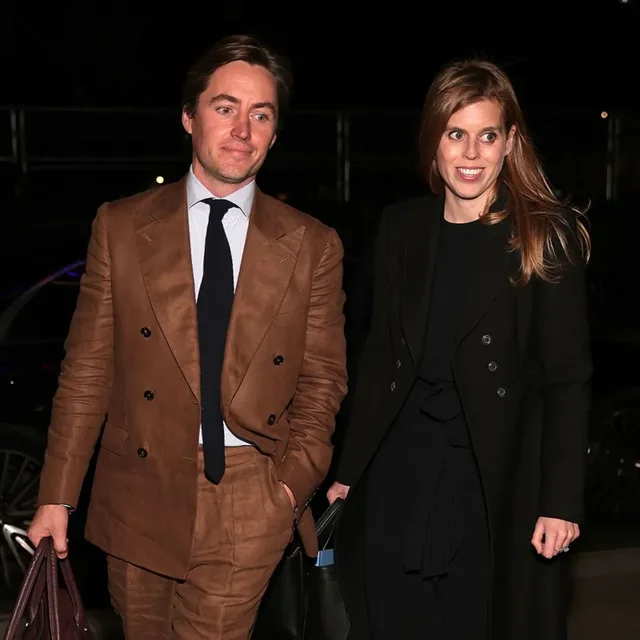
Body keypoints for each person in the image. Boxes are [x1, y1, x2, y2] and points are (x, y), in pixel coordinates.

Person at [28, 34, 347, 640]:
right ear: (188, 117)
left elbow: (323, 378)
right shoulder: (122, 226)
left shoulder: (312, 244)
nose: (242, 130)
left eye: (261, 115)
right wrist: (56, 497)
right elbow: (88, 371)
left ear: (275, 133)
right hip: (139, 487)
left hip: (251, 490)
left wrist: (288, 488)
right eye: (225, 108)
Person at [328, 59, 592, 640]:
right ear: (434, 141)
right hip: (399, 469)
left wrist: (561, 500)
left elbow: (567, 380)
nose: (471, 152)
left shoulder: (543, 234)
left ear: (510, 142)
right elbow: (382, 355)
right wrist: (349, 469)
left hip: (490, 474)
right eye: (455, 133)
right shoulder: (402, 227)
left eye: (487, 135)